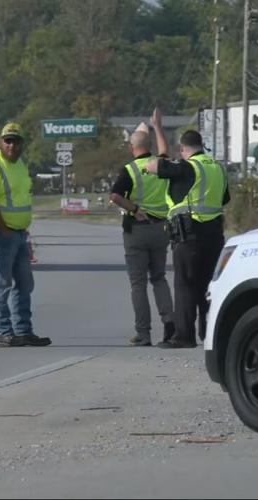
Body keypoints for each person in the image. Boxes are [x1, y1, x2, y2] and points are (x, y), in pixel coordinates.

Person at [146, 108, 229, 349]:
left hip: (188, 236)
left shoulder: (185, 167)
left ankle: (184, 336)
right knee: (208, 287)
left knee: (185, 286)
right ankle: (210, 333)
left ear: (183, 149)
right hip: (214, 236)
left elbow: (155, 165)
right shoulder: (218, 168)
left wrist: (157, 129)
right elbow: (224, 199)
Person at [0, 123, 51, 347]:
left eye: (15, 141)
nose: (11, 145)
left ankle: (23, 330)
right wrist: (3, 229)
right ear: (0, 142)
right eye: (7, 141)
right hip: (1, 232)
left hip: (19, 233)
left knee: (24, 283)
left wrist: (20, 230)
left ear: (21, 144)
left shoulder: (20, 164)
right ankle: (4, 331)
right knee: (2, 284)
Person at [109, 122, 175, 347]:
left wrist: (135, 210)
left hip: (137, 230)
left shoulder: (129, 170)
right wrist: (157, 126)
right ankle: (169, 322)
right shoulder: (161, 164)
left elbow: (115, 196)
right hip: (161, 228)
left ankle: (143, 333)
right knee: (159, 278)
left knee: (138, 284)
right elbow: (165, 150)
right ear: (149, 146)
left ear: (131, 147)